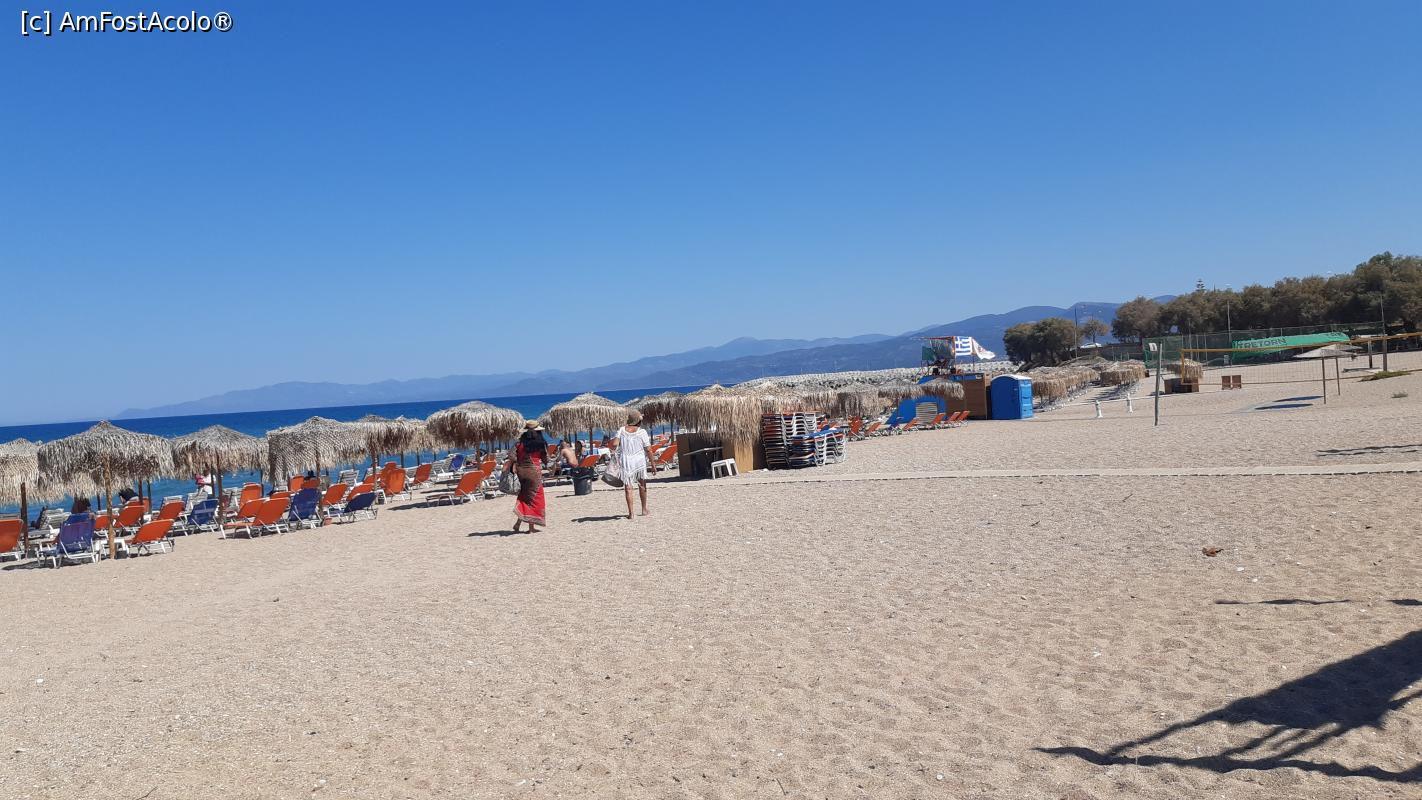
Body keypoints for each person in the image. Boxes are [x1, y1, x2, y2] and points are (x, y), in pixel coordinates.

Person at [611, 410, 654, 519]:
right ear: (638, 421)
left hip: (627, 461)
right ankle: (644, 509)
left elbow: (614, 444)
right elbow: (648, 450)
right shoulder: (642, 432)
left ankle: (631, 513)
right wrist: (653, 465)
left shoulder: (621, 430)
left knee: (628, 487)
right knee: (642, 484)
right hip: (639, 461)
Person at [507, 420, 548, 533]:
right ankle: (531, 528)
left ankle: (517, 524)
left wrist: (518, 462)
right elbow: (546, 459)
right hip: (534, 472)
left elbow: (511, 455)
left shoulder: (519, 443)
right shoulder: (541, 443)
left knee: (525, 496)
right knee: (535, 498)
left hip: (521, 471)